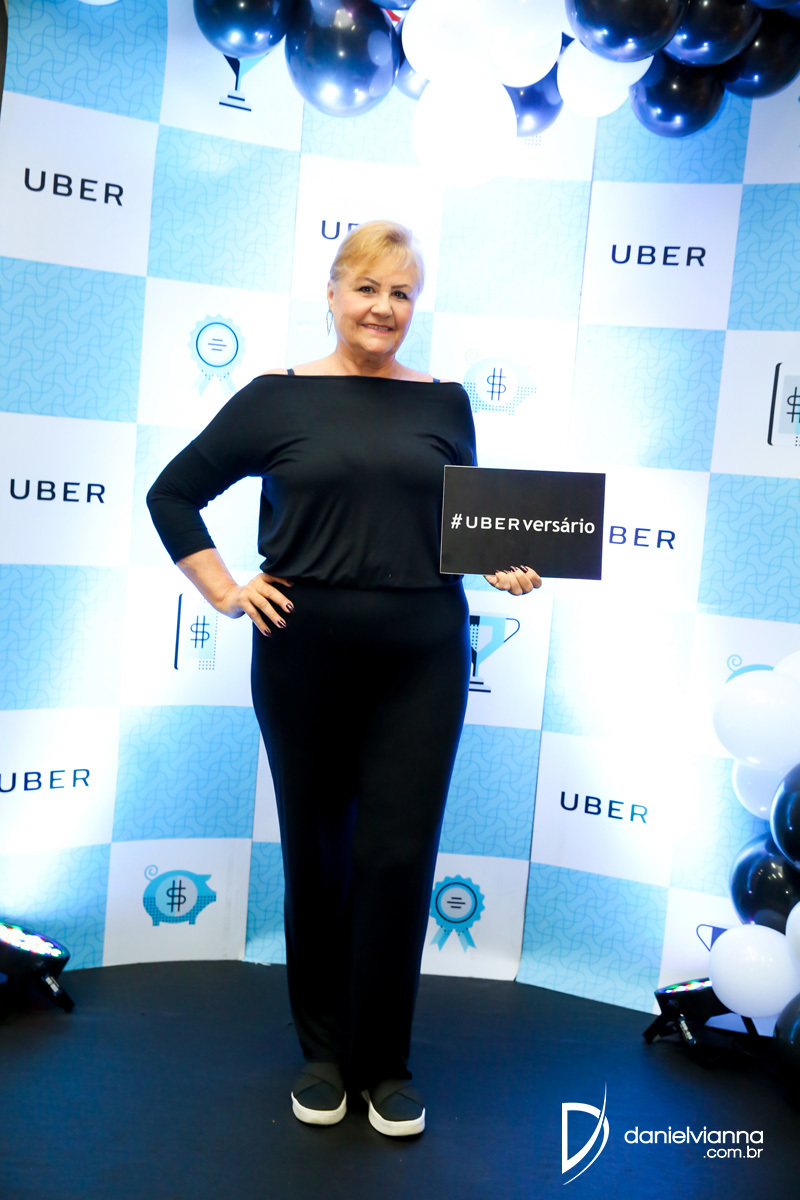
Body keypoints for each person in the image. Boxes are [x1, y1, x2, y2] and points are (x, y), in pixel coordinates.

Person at [146, 220, 540, 1138]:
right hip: (303, 653)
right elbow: (173, 493)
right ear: (331, 294)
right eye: (367, 288)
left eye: (401, 293)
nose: (383, 309)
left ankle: (384, 1064)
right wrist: (226, 589)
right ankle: (324, 1055)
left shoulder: (446, 403)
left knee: (397, 858)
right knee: (319, 851)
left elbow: (462, 526)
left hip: (424, 655)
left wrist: (502, 564)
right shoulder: (273, 397)